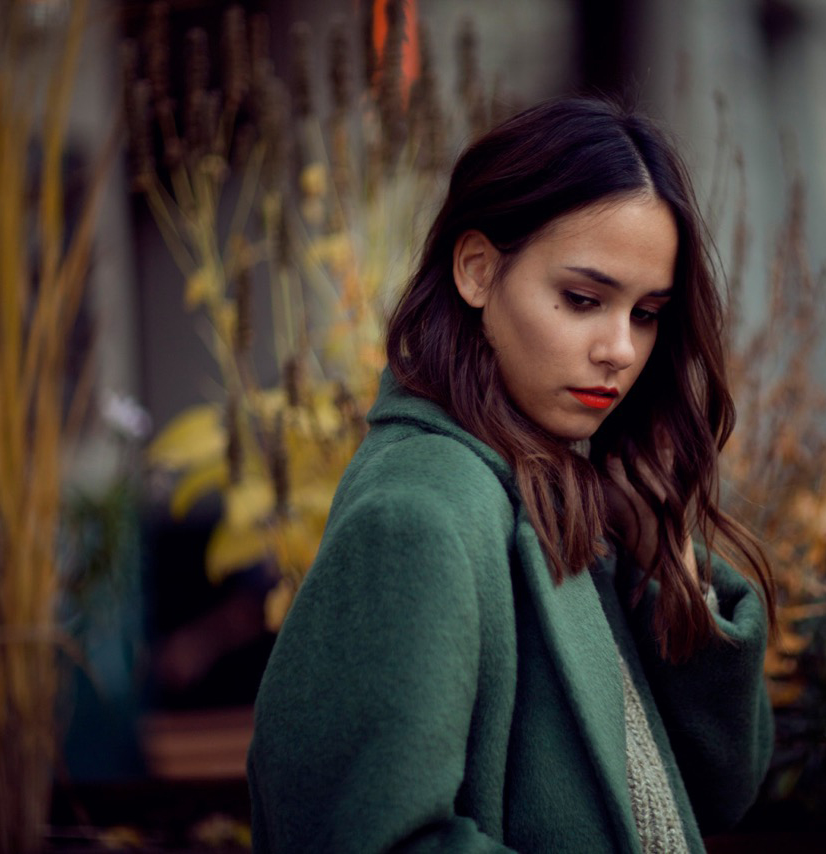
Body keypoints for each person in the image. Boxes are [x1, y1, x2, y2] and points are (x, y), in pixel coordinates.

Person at [248, 96, 776, 853]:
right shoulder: (420, 513)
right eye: (583, 300)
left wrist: (673, 580)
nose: (620, 349)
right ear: (477, 271)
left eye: (647, 313)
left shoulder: (568, 495)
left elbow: (722, 791)